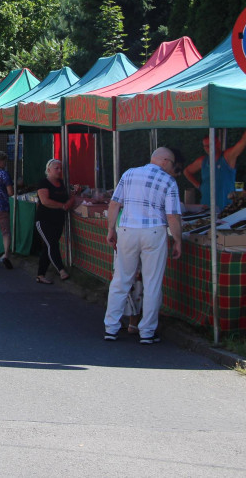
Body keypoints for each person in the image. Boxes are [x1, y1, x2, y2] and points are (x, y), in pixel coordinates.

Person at [103, 147, 183, 344]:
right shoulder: (169, 181)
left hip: (128, 229)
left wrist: (111, 229)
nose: (171, 168)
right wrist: (178, 239)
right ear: (165, 161)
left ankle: (111, 327)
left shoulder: (129, 173)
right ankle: (147, 331)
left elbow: (114, 204)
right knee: (152, 283)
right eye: (172, 164)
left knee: (121, 279)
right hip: (154, 231)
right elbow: (173, 216)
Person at [183, 128, 246, 211]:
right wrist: (199, 186)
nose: (208, 148)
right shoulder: (203, 161)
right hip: (206, 208)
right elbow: (187, 171)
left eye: (211, 144)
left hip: (226, 208)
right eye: (206, 146)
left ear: (218, 143)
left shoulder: (227, 157)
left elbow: (241, 144)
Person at [35, 159, 76, 284]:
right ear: (48, 170)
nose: (59, 171)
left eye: (60, 168)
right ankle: (61, 270)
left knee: (48, 246)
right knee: (52, 244)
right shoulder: (43, 183)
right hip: (44, 220)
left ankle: (40, 275)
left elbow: (67, 199)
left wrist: (73, 196)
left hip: (58, 220)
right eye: (56, 168)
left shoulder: (62, 183)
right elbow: (45, 201)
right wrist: (62, 206)